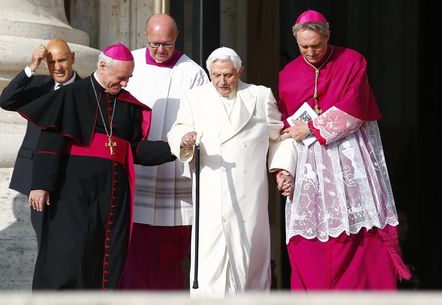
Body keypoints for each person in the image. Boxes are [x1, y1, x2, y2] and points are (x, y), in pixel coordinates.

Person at [17, 42, 176, 290]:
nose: (125, 84)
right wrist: (40, 185)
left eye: (128, 78)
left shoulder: (128, 106)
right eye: (120, 78)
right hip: (71, 195)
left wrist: (176, 148)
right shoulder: (71, 95)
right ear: (102, 66)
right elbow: (50, 141)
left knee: (103, 259)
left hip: (112, 195)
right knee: (68, 256)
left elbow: (136, 150)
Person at [277, 9, 411, 290]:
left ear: (328, 36)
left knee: (358, 230)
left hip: (350, 156)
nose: (311, 52)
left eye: (316, 45)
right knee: (309, 235)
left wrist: (313, 128)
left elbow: (356, 106)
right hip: (310, 164)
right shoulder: (288, 74)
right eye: (304, 47)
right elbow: (285, 129)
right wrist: (283, 170)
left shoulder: (351, 61)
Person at [167, 46, 296, 297]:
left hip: (248, 193)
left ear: (240, 71)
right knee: (210, 259)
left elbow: (279, 136)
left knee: (248, 258)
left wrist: (283, 169)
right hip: (211, 189)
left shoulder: (259, 95)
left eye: (228, 75)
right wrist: (184, 138)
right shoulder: (195, 97)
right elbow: (178, 128)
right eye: (216, 75)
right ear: (209, 73)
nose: (222, 82)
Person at [120, 13, 209, 290]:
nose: (160, 50)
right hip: (135, 167)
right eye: (154, 43)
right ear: (145, 37)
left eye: (167, 44)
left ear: (177, 37)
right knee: (132, 250)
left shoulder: (193, 72)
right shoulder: (130, 64)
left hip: (174, 173)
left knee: (169, 255)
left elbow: (201, 118)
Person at [0, 38, 80, 247]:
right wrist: (31, 66)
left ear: (73, 58)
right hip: (36, 177)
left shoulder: (86, 90)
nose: (58, 67)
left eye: (62, 60)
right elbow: (6, 101)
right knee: (43, 240)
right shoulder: (39, 85)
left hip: (70, 177)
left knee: (68, 243)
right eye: (51, 62)